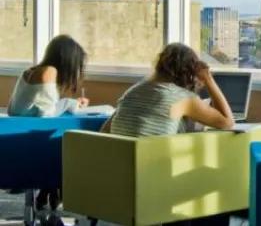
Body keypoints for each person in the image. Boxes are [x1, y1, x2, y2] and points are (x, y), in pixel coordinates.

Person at [6, 34, 90, 211]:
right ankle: (55, 190)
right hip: (29, 143)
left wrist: (70, 103)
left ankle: (49, 191)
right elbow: (47, 114)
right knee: (72, 144)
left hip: (17, 139)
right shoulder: (49, 72)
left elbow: (25, 109)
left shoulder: (32, 70)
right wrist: (71, 104)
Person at [101, 43, 234, 137]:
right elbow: (227, 123)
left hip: (120, 166)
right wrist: (208, 78)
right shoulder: (183, 98)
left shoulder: (132, 92)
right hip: (155, 165)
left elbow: (104, 132)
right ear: (189, 71)